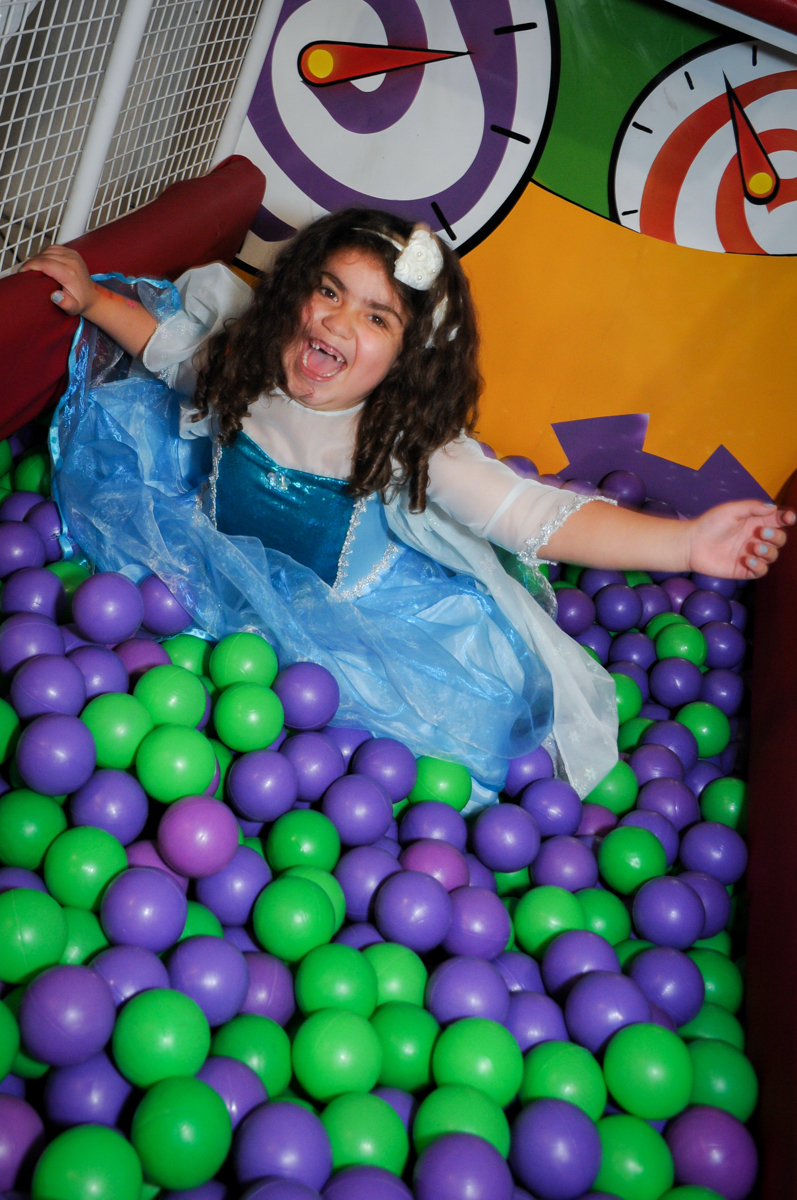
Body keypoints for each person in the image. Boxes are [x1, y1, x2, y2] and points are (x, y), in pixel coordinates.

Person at [21, 208, 792, 809]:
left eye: (375, 317)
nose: (335, 321)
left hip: (347, 618)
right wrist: (90, 298)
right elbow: (165, 349)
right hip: (213, 560)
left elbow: (531, 515)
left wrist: (685, 546)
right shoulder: (240, 366)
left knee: (447, 737)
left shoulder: (401, 444)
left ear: (406, 357)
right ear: (294, 293)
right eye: (328, 291)